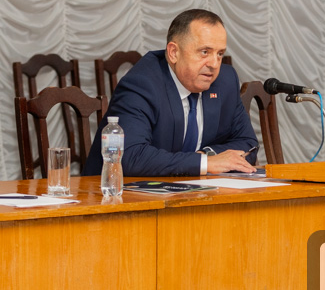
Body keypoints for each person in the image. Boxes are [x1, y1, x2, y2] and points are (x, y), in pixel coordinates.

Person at [83, 9, 258, 177]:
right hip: (112, 191)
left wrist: (207, 156)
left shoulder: (225, 81)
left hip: (192, 189)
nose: (214, 64)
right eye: (204, 52)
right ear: (174, 53)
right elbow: (129, 155)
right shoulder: (141, 83)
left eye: (219, 54)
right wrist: (204, 163)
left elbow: (248, 144)